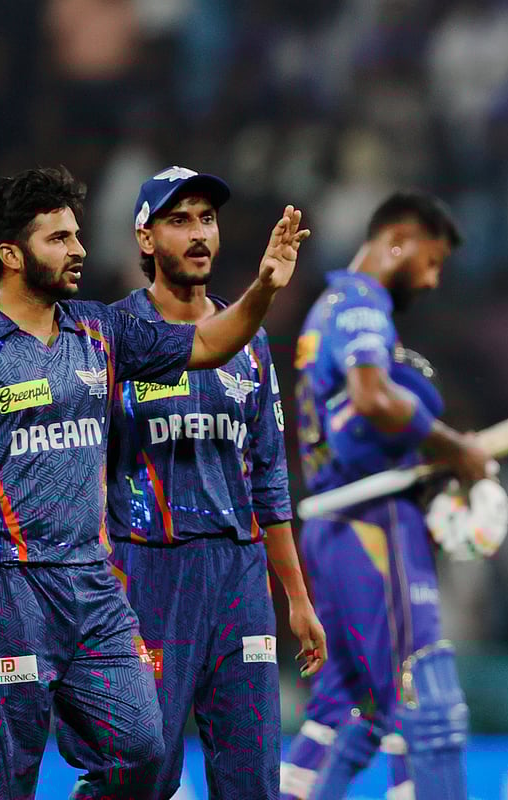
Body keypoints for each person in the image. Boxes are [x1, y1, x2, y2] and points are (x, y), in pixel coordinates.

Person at [0, 165, 307, 800]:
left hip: (89, 584)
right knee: (1, 781)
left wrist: (264, 289)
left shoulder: (99, 329)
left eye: (77, 235)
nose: (78, 250)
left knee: (143, 748)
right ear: (12, 254)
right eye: (59, 238)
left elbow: (208, 345)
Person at [51, 166, 327, 798]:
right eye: (179, 220)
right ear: (145, 239)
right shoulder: (109, 337)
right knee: (140, 773)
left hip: (238, 576)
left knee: (253, 779)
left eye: (207, 218)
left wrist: (297, 596)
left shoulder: (252, 344)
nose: (198, 233)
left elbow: (269, 479)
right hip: (143, 572)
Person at [280, 190, 500, 800]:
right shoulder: (360, 305)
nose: (432, 280)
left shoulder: (326, 309)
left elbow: (355, 422)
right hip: (373, 521)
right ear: (398, 242)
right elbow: (373, 397)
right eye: (431, 261)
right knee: (424, 697)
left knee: (349, 710)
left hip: (331, 523)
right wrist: (454, 449)